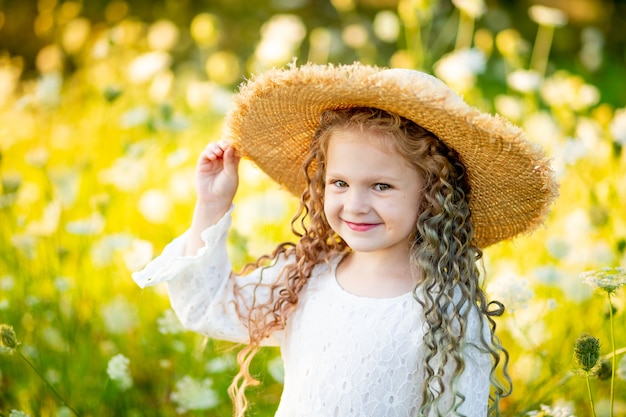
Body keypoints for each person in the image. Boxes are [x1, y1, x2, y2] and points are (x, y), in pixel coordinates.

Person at [133, 63, 558, 417]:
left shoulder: (448, 311)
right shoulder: (306, 279)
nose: (354, 205)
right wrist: (211, 204)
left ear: (432, 196)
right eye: (339, 182)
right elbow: (206, 308)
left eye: (381, 187)